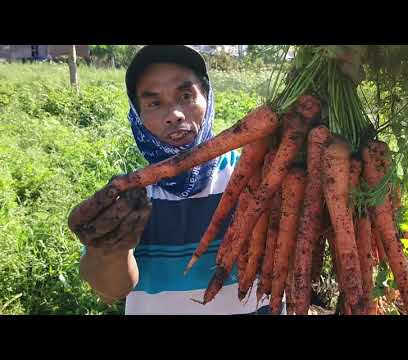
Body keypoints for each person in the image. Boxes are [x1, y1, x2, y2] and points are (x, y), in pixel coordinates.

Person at [69, 45, 280, 315]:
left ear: (208, 97)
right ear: (137, 115)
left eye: (185, 95)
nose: (174, 115)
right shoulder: (131, 198)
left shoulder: (261, 178)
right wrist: (110, 251)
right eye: (154, 103)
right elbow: (110, 291)